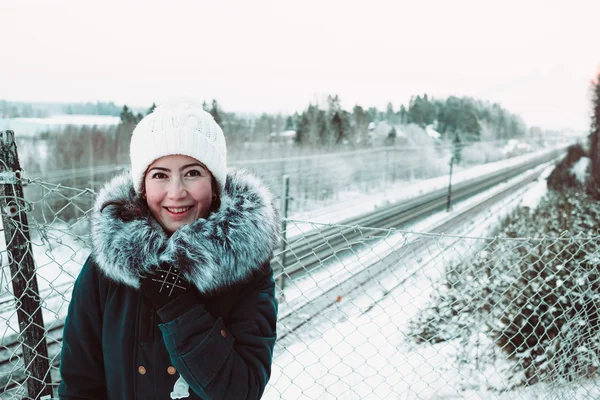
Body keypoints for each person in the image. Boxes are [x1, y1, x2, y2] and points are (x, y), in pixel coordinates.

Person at [58, 102, 280, 399]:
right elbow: (79, 385)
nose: (176, 192)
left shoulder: (247, 269)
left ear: (215, 184)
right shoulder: (106, 268)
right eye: (160, 175)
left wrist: (179, 306)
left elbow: (241, 390)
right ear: (143, 187)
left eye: (192, 173)